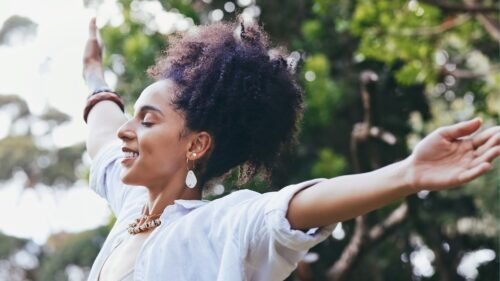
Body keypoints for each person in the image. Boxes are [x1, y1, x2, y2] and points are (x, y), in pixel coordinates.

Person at [82, 17, 500, 281]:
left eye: (147, 120)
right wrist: (95, 79)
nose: (127, 131)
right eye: (132, 117)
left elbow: (295, 206)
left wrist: (406, 174)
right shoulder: (134, 207)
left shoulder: (224, 225)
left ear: (196, 145)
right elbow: (103, 133)